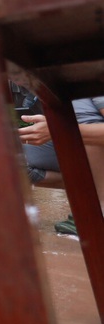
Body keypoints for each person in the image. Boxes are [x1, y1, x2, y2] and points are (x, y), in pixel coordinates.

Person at [20, 96, 104, 236]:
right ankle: (89, 194)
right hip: (78, 140)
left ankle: (97, 211)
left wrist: (58, 129)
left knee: (78, 104)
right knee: (11, 159)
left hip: (88, 135)